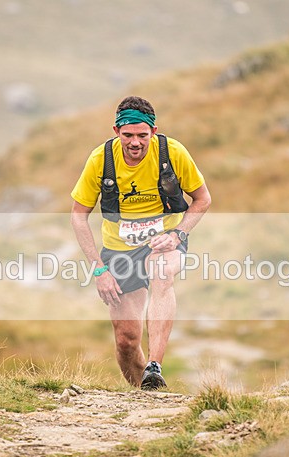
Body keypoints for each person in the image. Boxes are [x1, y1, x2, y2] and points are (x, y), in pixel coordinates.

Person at [70, 96, 212, 390]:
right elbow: (78, 216)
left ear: (154, 132)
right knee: (126, 339)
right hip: (119, 251)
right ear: (116, 131)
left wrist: (178, 234)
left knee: (161, 272)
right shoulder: (100, 159)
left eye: (142, 136)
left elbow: (202, 200)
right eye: (128, 135)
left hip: (165, 241)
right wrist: (99, 270)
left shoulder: (172, 152)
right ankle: (145, 396)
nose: (135, 143)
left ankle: (154, 367)